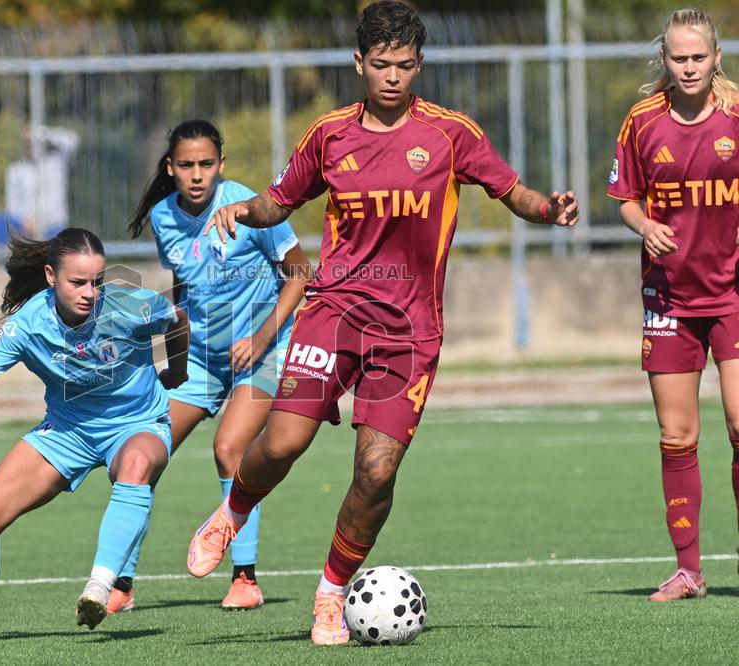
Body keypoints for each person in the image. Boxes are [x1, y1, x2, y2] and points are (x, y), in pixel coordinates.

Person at [186, 0, 578, 645]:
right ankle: (233, 510)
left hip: (409, 334)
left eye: (404, 65)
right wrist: (242, 214)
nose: (392, 77)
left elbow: (514, 192)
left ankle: (330, 594)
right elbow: (279, 198)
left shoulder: (452, 133)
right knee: (282, 445)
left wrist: (549, 208)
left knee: (376, 472)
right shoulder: (330, 134)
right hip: (334, 312)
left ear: (419, 64)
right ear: (359, 63)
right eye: (380, 65)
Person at [0, 227, 190, 644]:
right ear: (50, 276)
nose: (90, 292)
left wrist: (178, 371)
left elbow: (177, 320)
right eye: (77, 282)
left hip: (137, 423)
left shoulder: (131, 304)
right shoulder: (28, 325)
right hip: (67, 432)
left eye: (97, 282)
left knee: (134, 467)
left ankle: (100, 587)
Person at [114, 119, 312, 612]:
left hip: (265, 351)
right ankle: (120, 582)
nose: (197, 175)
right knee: (141, 452)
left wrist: (261, 336)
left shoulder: (249, 205)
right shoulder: (164, 217)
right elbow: (186, 288)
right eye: (186, 165)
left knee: (230, 449)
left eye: (206, 164)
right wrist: (173, 355)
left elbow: (300, 273)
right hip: (201, 358)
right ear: (171, 168)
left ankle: (245, 580)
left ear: (221, 166)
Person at [607, 8, 739, 602]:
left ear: (717, 58)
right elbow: (625, 198)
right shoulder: (642, 122)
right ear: (664, 60)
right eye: (678, 58)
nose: (688, 67)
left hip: (733, 295)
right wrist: (644, 226)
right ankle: (689, 570)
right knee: (677, 434)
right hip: (669, 299)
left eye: (698, 57)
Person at [4, 125, 80, 239]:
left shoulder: (56, 162)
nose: (31, 146)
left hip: (55, 228)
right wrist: (24, 221)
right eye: (28, 143)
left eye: (34, 141)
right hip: (28, 232)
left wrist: (41, 133)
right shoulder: (15, 170)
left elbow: (72, 142)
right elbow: (12, 204)